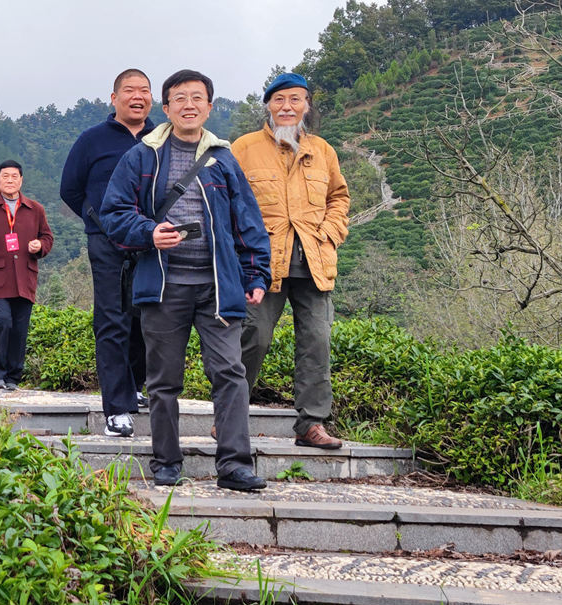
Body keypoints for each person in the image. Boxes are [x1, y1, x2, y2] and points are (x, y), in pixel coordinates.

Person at [100, 68, 273, 493]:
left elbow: (247, 220)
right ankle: (166, 460)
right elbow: (113, 212)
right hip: (163, 285)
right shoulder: (142, 156)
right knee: (163, 380)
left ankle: (234, 464)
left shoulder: (223, 159)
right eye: (180, 98)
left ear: (210, 107)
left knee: (229, 373)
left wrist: (257, 273)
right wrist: (148, 232)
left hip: (217, 284)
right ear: (167, 107)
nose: (189, 105)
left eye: (197, 98)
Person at [234, 72, 350, 450]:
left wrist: (330, 232)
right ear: (267, 106)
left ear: (307, 105)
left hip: (314, 262)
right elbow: (227, 200)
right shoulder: (244, 148)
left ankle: (311, 424)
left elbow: (339, 198)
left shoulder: (323, 150)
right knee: (254, 337)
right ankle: (230, 416)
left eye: (296, 100)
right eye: (279, 100)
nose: (287, 107)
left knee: (317, 341)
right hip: (262, 263)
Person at [61, 68, 155, 436]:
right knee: (113, 318)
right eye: (129, 90)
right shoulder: (92, 140)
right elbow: (71, 189)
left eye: (144, 90)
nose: (137, 96)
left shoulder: (162, 138)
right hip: (107, 242)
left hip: (151, 240)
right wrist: (96, 220)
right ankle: (117, 408)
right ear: (113, 98)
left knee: (148, 316)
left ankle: (134, 385)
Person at [0, 164, 53, 388]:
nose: (9, 180)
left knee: (19, 328)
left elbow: (47, 237)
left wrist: (39, 246)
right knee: (2, 321)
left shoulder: (35, 209)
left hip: (25, 277)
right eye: (4, 176)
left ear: (21, 180)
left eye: (14, 176)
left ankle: (14, 376)